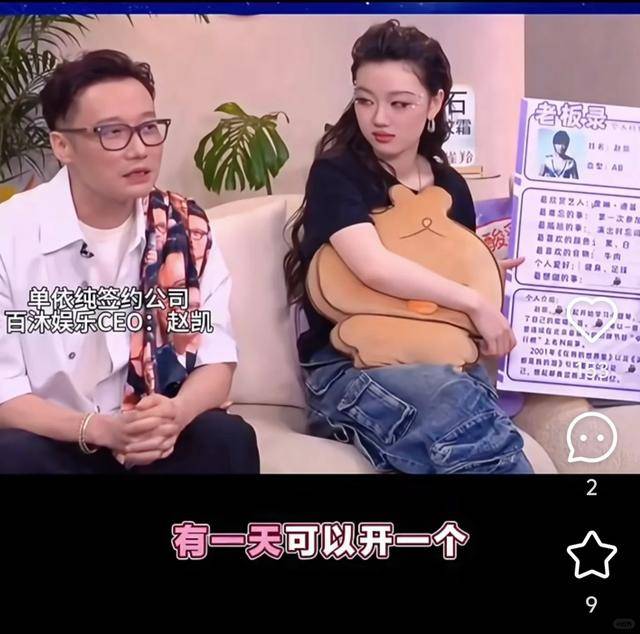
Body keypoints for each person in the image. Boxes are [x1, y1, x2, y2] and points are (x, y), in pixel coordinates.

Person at [283, 19, 533, 474]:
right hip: (348, 369)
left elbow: (449, 280)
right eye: (365, 100)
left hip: (441, 360)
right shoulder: (336, 173)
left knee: (471, 428)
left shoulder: (451, 186)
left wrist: (485, 276)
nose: (379, 118)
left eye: (400, 103)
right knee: (463, 411)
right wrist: (474, 300)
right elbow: (372, 266)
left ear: (436, 102)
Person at [0, 49, 259, 474]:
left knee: (226, 437)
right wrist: (99, 430)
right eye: (113, 132)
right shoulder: (10, 234)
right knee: (12, 455)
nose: (139, 149)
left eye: (148, 128)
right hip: (57, 438)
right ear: (62, 145)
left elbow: (215, 360)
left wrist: (175, 415)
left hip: (154, 435)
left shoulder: (183, 230)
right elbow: (4, 393)